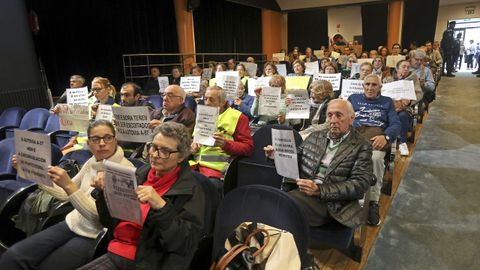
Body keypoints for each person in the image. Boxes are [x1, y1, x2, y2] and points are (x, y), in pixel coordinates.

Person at [0, 120, 134, 270]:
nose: (102, 143)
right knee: (12, 257)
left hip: (95, 235)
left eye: (107, 137)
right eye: (95, 139)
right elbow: (65, 195)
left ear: (115, 140)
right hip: (72, 222)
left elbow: (99, 219)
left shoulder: (125, 171)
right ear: (89, 143)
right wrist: (35, 174)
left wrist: (69, 186)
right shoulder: (93, 162)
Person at [79, 122, 205, 270]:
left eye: (165, 151)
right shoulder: (138, 175)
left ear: (181, 156)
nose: (155, 155)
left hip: (148, 261)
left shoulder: (190, 190)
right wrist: (104, 194)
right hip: (115, 249)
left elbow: (185, 244)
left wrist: (162, 207)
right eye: (153, 147)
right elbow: (108, 222)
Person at [264, 99, 373, 227]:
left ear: (351, 118)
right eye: (330, 115)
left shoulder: (362, 145)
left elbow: (360, 183)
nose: (333, 120)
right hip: (302, 193)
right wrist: (277, 156)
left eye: (338, 115)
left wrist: (320, 190)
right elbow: (295, 161)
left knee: (281, 207)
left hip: (333, 204)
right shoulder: (315, 136)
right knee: (270, 203)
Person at [348, 74, 400, 226]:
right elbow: (343, 115)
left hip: (376, 139)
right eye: (367, 84)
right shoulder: (353, 98)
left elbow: (396, 125)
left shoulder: (387, 102)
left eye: (374, 85)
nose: (370, 88)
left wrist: (386, 137)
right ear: (363, 86)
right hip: (355, 136)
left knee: (375, 159)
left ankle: (373, 202)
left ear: (380, 87)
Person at [191, 86, 253, 190]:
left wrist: (225, 144)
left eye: (211, 99)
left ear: (223, 102)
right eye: (205, 99)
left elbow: (248, 148)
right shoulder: (202, 114)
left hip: (217, 172)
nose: (207, 103)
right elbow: (195, 140)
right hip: (195, 166)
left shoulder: (238, 117)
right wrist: (193, 145)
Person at [384, 60, 423, 156]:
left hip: (405, 107)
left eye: (408, 67)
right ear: (397, 68)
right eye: (403, 67)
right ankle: (385, 140)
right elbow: (382, 92)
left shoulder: (413, 78)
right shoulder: (388, 79)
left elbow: (419, 93)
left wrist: (410, 100)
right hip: (390, 106)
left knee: (403, 115)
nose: (406, 69)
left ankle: (403, 143)